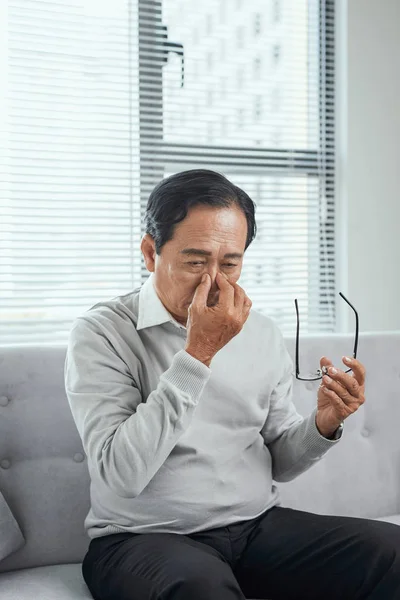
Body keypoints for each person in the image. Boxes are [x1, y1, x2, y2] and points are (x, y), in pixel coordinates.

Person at [65, 169, 400, 600]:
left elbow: (281, 460)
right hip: (141, 538)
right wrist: (199, 353)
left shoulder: (260, 332)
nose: (214, 283)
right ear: (150, 253)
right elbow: (120, 473)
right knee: (199, 588)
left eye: (230, 263)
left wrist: (324, 422)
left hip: (256, 527)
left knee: (390, 552)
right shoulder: (102, 332)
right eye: (195, 262)